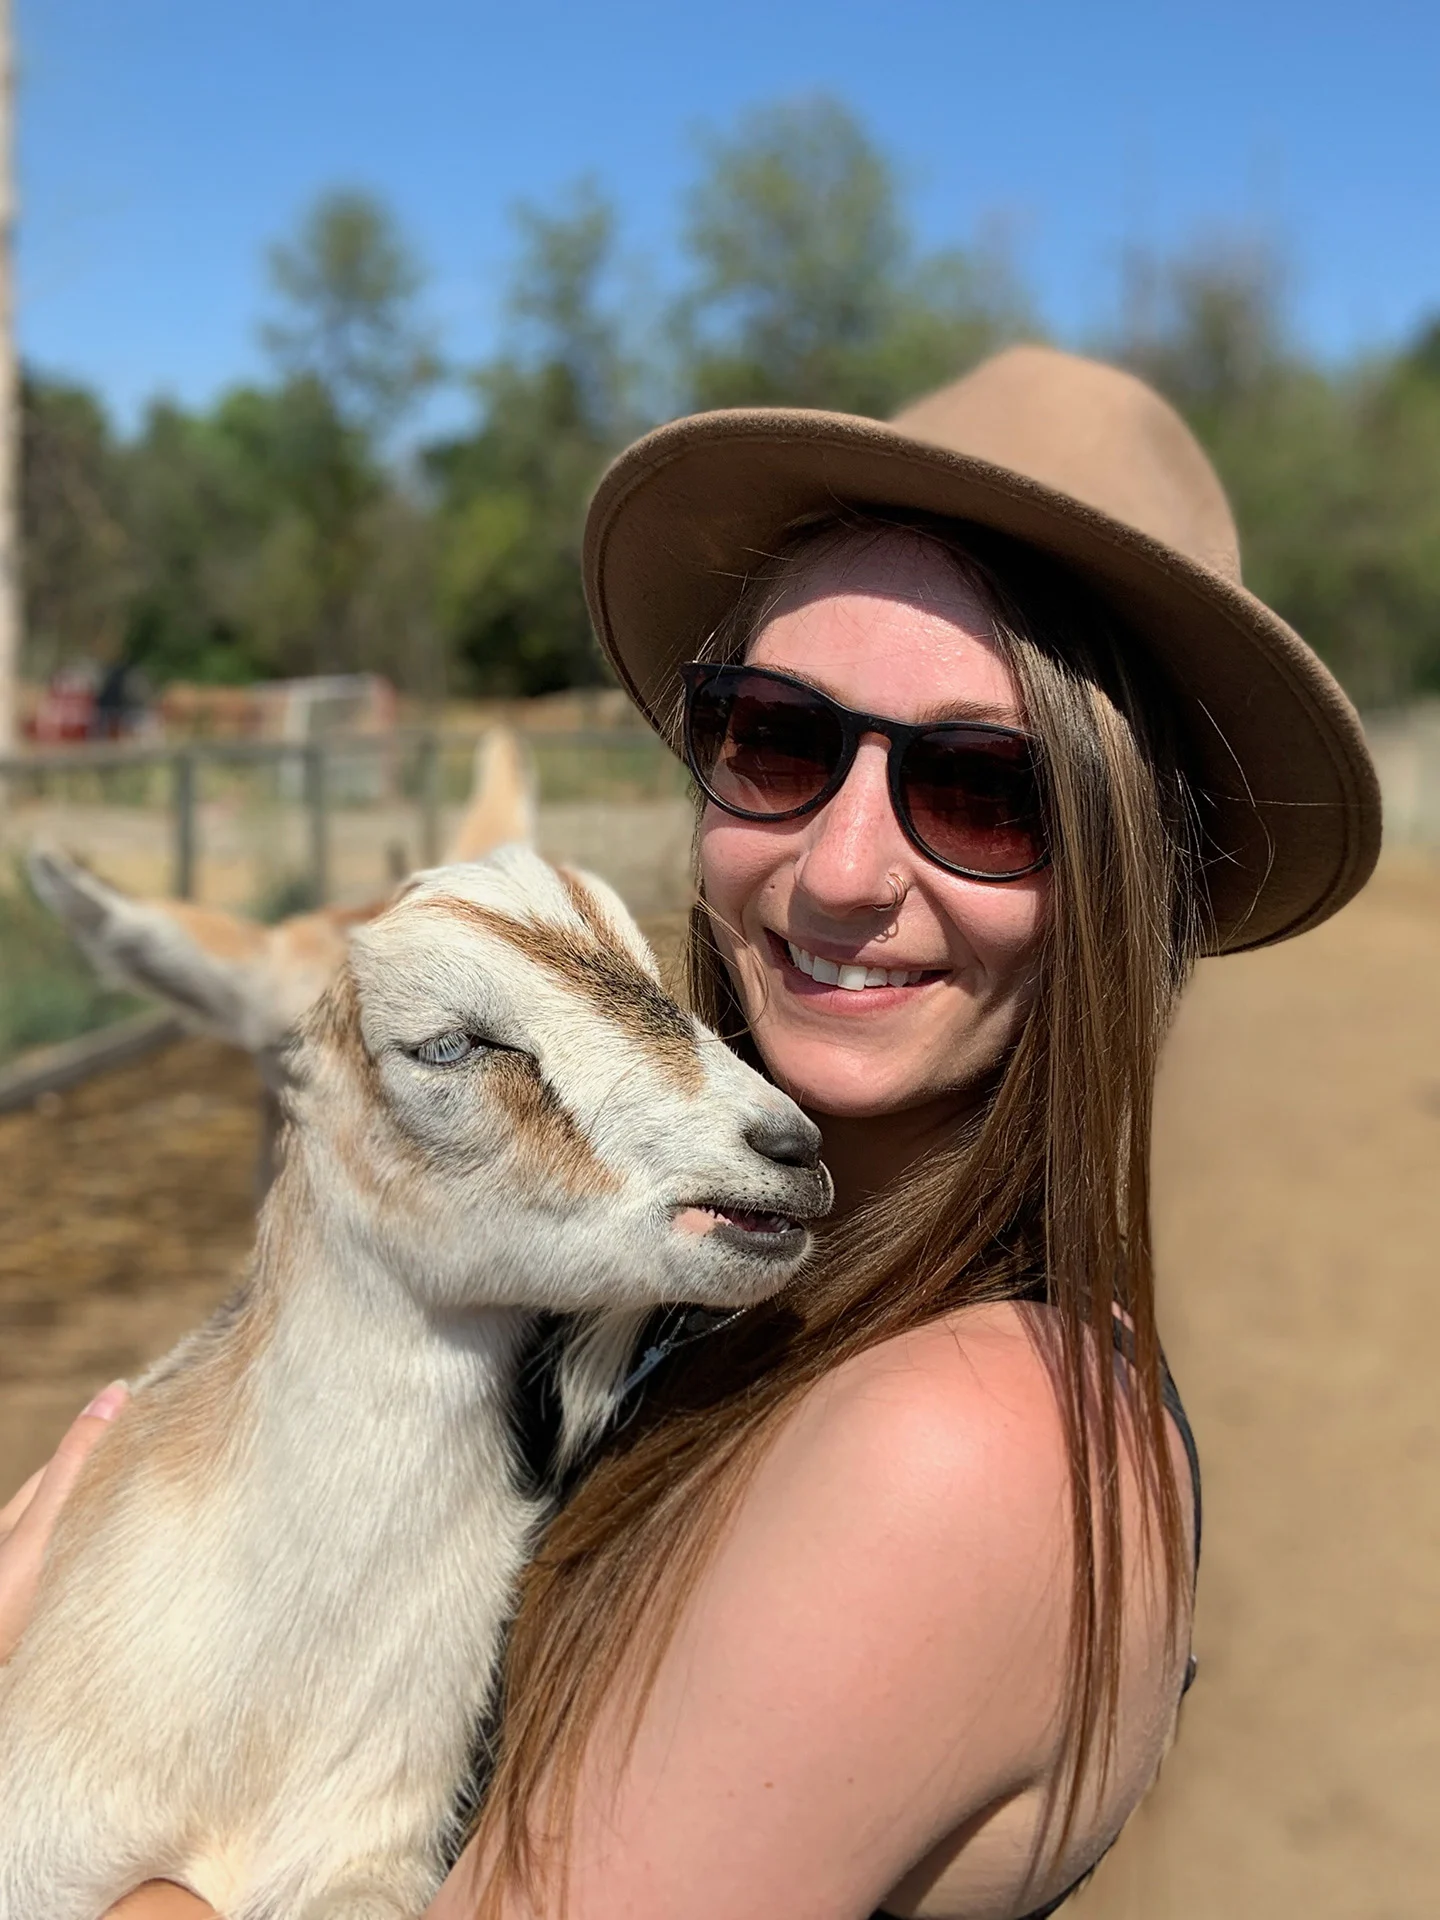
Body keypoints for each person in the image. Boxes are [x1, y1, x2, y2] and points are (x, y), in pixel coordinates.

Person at [0, 346, 1380, 1920]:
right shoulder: (683, 1289)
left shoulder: (956, 1451)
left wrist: (38, 1730)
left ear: (1140, 887)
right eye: (779, 740)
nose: (844, 871)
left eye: (988, 792)